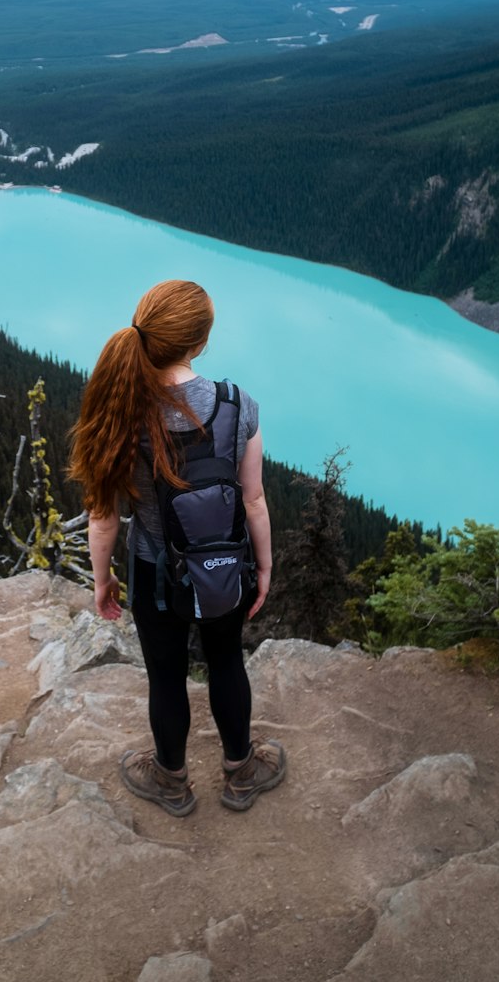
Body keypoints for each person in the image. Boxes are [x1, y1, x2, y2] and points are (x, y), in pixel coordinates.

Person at [69, 279, 286, 816]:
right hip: (222, 568)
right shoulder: (239, 407)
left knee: (165, 677)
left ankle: (172, 780)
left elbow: (103, 518)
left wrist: (102, 582)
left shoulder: (123, 410)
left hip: (152, 572)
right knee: (226, 661)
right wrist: (262, 566)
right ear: (199, 343)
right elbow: (254, 500)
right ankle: (240, 772)